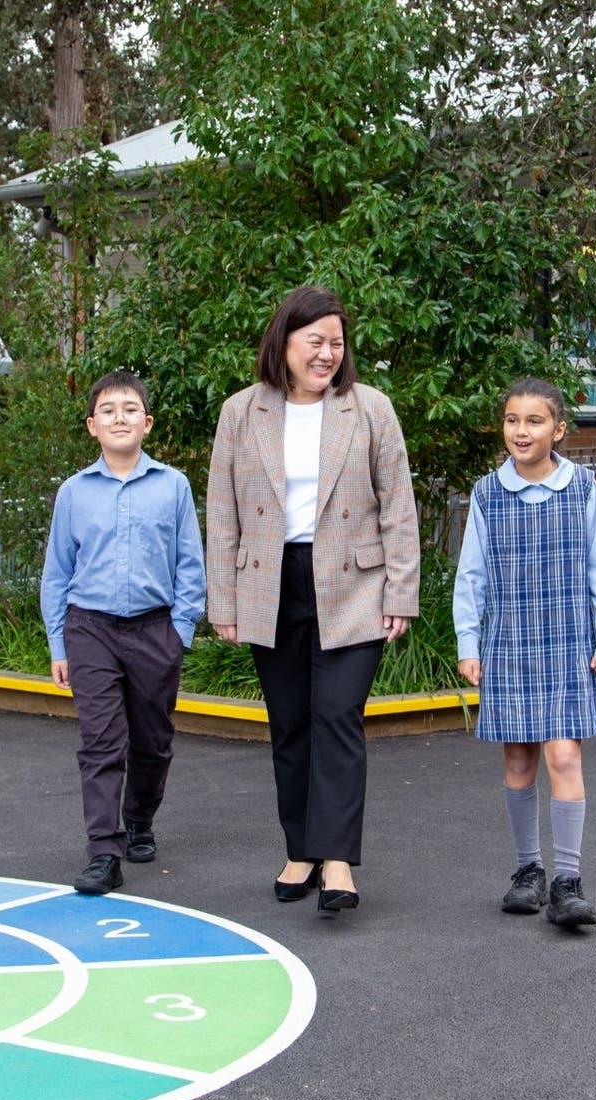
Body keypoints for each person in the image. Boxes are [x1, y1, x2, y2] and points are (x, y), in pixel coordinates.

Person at [206, 285, 421, 914]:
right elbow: (222, 513)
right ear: (285, 342)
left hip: (354, 583)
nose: (328, 353)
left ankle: (336, 862)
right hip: (270, 583)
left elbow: (399, 506)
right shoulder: (241, 412)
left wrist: (401, 592)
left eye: (337, 342)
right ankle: (299, 848)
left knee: (338, 718)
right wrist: (224, 601)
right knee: (291, 724)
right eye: (315, 341)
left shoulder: (370, 409)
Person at [453, 377, 596, 928]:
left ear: (558, 429)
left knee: (565, 756)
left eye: (534, 421)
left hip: (571, 644)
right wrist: (468, 642)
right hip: (509, 646)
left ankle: (568, 882)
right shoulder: (486, 494)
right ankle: (528, 871)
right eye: (512, 420)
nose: (520, 431)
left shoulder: (583, 487)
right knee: (520, 759)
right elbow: (471, 578)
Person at [40, 369, 206, 895]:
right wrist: (59, 643)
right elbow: (56, 573)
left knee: (152, 741)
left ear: (147, 422)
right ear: (93, 425)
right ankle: (103, 851)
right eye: (108, 410)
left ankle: (139, 819)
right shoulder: (73, 492)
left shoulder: (173, 486)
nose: (119, 417)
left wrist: (180, 630)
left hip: (156, 630)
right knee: (101, 741)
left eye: (130, 409)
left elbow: (190, 566)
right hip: (90, 629)